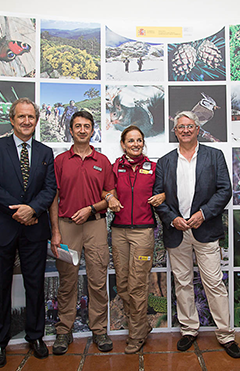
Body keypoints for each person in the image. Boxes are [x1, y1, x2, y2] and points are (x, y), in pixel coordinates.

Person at [153, 111, 240, 359]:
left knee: (214, 282)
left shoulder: (215, 156)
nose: (185, 130)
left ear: (198, 129)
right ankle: (189, 330)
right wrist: (173, 219)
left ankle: (226, 335)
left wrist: (203, 214)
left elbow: (225, 191)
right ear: (175, 131)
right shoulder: (165, 162)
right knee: (182, 282)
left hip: (205, 228)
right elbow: (158, 197)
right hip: (177, 231)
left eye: (190, 126)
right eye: (180, 127)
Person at [0, 98, 57, 368]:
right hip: (2, 228)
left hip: (34, 229)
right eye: (21, 117)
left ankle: (35, 336)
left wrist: (32, 210)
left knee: (34, 286)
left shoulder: (45, 152)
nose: (27, 122)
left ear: (37, 121)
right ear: (12, 120)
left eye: (31, 117)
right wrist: (18, 210)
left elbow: (50, 189)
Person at [49, 111, 115, 355]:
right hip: (67, 227)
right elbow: (53, 198)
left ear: (93, 130)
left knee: (98, 281)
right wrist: (55, 231)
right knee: (67, 281)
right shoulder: (60, 161)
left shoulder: (103, 161)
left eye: (87, 126)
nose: (82, 130)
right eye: (78, 126)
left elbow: (110, 197)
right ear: (71, 130)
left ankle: (99, 329)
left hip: (95, 225)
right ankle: (64, 330)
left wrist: (90, 209)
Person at [103, 125, 165, 354]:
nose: (135, 144)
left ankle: (136, 335)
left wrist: (164, 194)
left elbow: (168, 189)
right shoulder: (114, 167)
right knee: (123, 284)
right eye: (131, 141)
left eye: (139, 140)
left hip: (143, 232)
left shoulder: (154, 167)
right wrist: (109, 197)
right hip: (119, 231)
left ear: (143, 143)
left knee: (138, 283)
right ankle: (143, 325)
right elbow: (105, 190)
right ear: (123, 144)